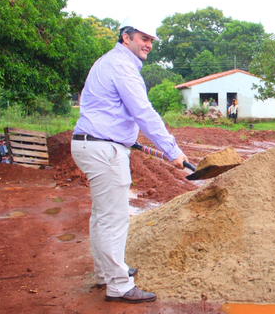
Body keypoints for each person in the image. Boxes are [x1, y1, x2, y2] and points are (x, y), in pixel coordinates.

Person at [71, 17, 188, 304]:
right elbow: (143, 112)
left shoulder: (108, 61)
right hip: (103, 149)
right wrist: (173, 151)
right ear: (126, 38)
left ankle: (106, 272)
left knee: (102, 216)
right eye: (143, 38)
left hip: (91, 143)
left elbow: (108, 107)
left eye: (151, 40)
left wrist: (123, 134)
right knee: (115, 217)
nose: (148, 44)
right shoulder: (122, 66)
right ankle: (119, 285)